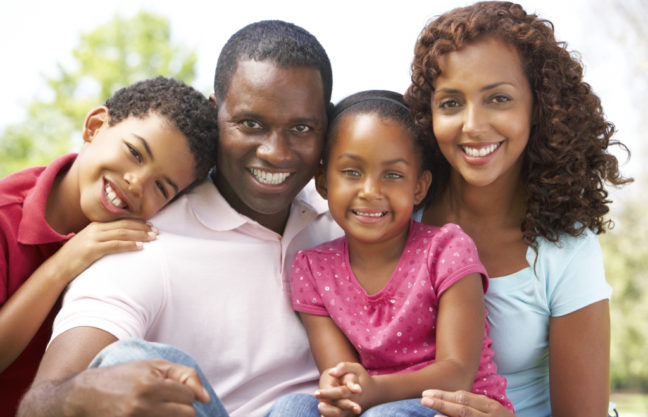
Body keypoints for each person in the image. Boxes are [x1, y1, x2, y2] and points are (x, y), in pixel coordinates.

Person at [17, 20, 342, 417]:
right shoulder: (146, 246)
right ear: (215, 113)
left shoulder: (349, 218)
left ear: (326, 126)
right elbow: (39, 402)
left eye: (302, 128)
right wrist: (86, 392)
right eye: (250, 124)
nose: (275, 152)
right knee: (128, 356)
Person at [404, 2, 631, 417]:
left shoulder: (564, 248)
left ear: (538, 107)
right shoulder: (403, 218)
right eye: (451, 103)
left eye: (499, 99)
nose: (473, 125)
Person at [270, 90, 513, 417]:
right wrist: (342, 386)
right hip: (372, 406)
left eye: (393, 175)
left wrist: (376, 390)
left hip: (456, 405)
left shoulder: (445, 250)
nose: (370, 191)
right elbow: (345, 375)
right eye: (352, 172)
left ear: (419, 187)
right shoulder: (313, 269)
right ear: (323, 183)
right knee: (292, 408)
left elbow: (457, 372)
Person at [0, 75, 219, 416]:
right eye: (134, 153)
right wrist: (63, 265)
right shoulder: (5, 217)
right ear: (95, 126)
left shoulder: (138, 246)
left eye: (161, 187)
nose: (136, 183)